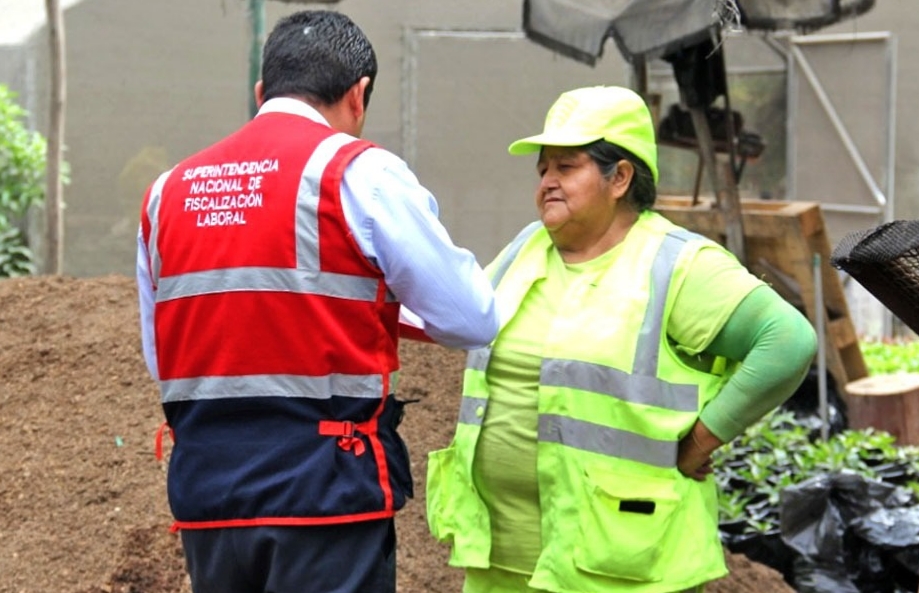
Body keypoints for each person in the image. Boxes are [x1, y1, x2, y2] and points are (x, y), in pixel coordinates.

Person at [135, 10, 498, 593]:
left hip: (209, 499)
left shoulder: (167, 192)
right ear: (359, 95)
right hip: (326, 496)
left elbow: (165, 359)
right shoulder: (361, 174)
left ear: (261, 94)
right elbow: (471, 318)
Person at [426, 85, 818, 593]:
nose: (547, 182)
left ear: (621, 178)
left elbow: (786, 342)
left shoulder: (674, 263)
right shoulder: (527, 245)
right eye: (543, 169)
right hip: (500, 559)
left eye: (566, 168)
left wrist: (702, 440)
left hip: (617, 566)